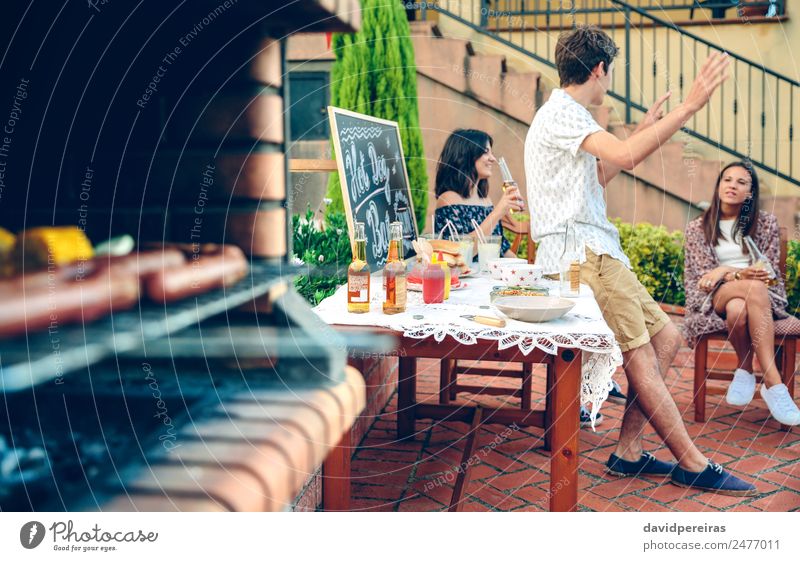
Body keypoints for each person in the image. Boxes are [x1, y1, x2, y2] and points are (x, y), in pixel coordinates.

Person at [525, 25, 756, 495]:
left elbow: (601, 175)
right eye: (608, 73)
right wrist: (689, 107)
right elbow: (625, 156)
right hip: (583, 253)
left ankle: (627, 452)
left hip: (594, 249)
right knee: (641, 353)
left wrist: (647, 127)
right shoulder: (564, 113)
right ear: (598, 69)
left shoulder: (564, 116)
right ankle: (692, 461)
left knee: (667, 337)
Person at [683, 161, 800, 425]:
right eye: (727, 180)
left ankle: (745, 367)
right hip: (713, 298)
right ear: (718, 186)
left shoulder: (766, 223)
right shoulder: (697, 227)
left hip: (757, 298)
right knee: (748, 291)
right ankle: (773, 383)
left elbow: (767, 272)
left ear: (750, 192)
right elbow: (704, 279)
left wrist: (728, 271)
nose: (732, 186)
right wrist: (735, 273)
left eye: (741, 182)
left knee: (740, 307)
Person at [433, 129, 520, 258]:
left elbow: (501, 248)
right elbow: (461, 254)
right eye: (485, 152)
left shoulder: (485, 199)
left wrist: (527, 269)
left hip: (491, 274)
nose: (493, 159)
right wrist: (498, 212)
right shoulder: (448, 199)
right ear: (466, 155)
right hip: (468, 277)